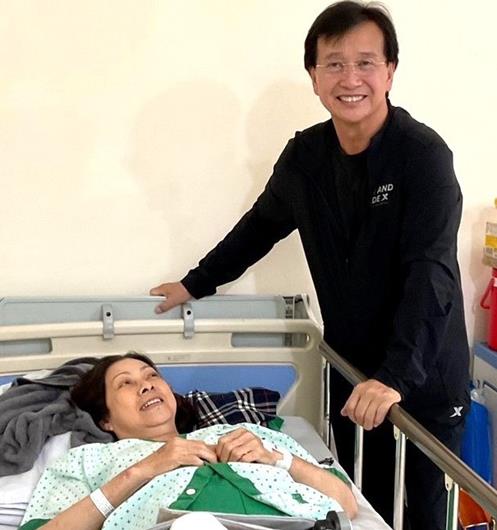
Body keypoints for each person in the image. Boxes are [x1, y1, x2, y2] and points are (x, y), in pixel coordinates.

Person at [149, 2, 470, 529]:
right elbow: (260, 227)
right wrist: (194, 284)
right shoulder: (306, 158)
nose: (351, 79)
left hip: (422, 372)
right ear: (314, 77)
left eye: (366, 63)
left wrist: (393, 377)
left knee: (426, 511)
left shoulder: (422, 156)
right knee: (362, 502)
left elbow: (430, 274)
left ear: (390, 71)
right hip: (350, 367)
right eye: (334, 64)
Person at [19, 353, 357, 530]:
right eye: (125, 383)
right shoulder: (88, 460)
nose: (146, 385)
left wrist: (278, 459)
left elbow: (347, 503)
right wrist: (141, 472)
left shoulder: (253, 434)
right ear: (105, 418)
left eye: (152, 375)